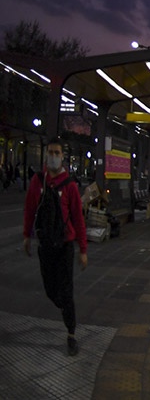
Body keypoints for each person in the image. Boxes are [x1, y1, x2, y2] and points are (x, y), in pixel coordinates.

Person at [22, 136, 88, 356]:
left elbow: (78, 218)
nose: (53, 156)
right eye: (50, 152)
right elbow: (30, 209)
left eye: (57, 153)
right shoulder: (37, 181)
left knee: (66, 291)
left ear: (63, 156)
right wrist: (26, 235)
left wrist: (83, 250)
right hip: (45, 244)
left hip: (65, 245)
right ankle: (64, 306)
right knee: (50, 290)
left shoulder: (69, 185)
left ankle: (71, 333)